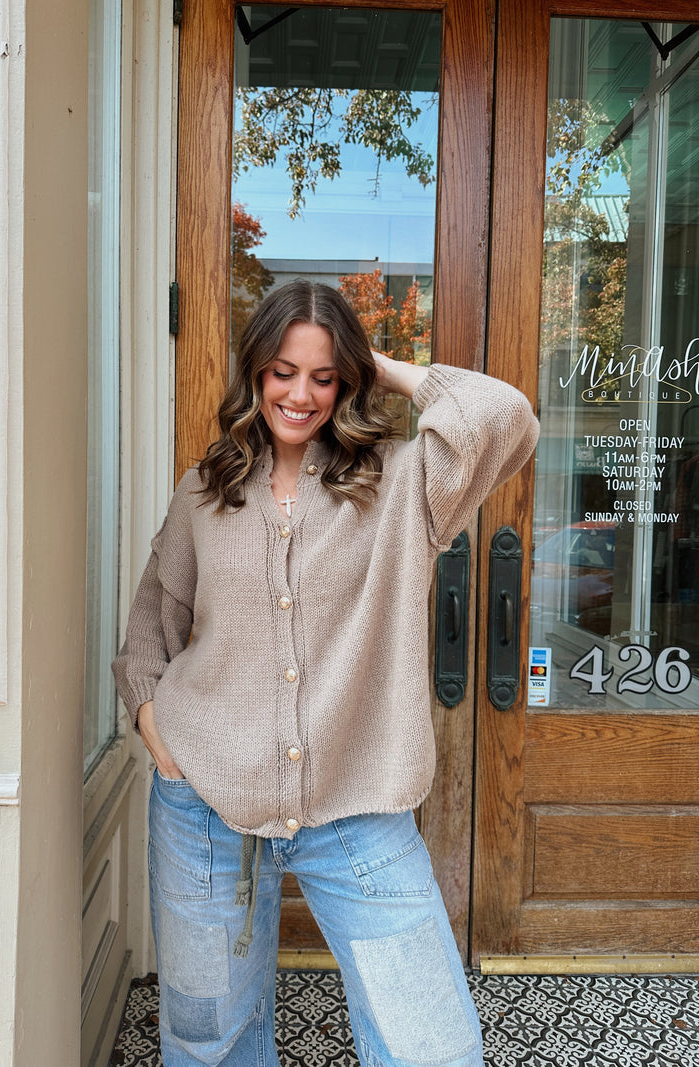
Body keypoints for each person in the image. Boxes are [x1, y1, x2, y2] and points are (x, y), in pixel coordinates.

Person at [112, 280, 539, 1067]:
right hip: (204, 805)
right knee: (211, 1041)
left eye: (323, 374)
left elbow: (504, 415)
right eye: (282, 370)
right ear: (254, 373)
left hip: (359, 809)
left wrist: (378, 360)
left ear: (347, 380)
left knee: (431, 1046)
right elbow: (152, 621)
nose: (300, 393)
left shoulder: (401, 484)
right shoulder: (206, 491)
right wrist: (151, 718)